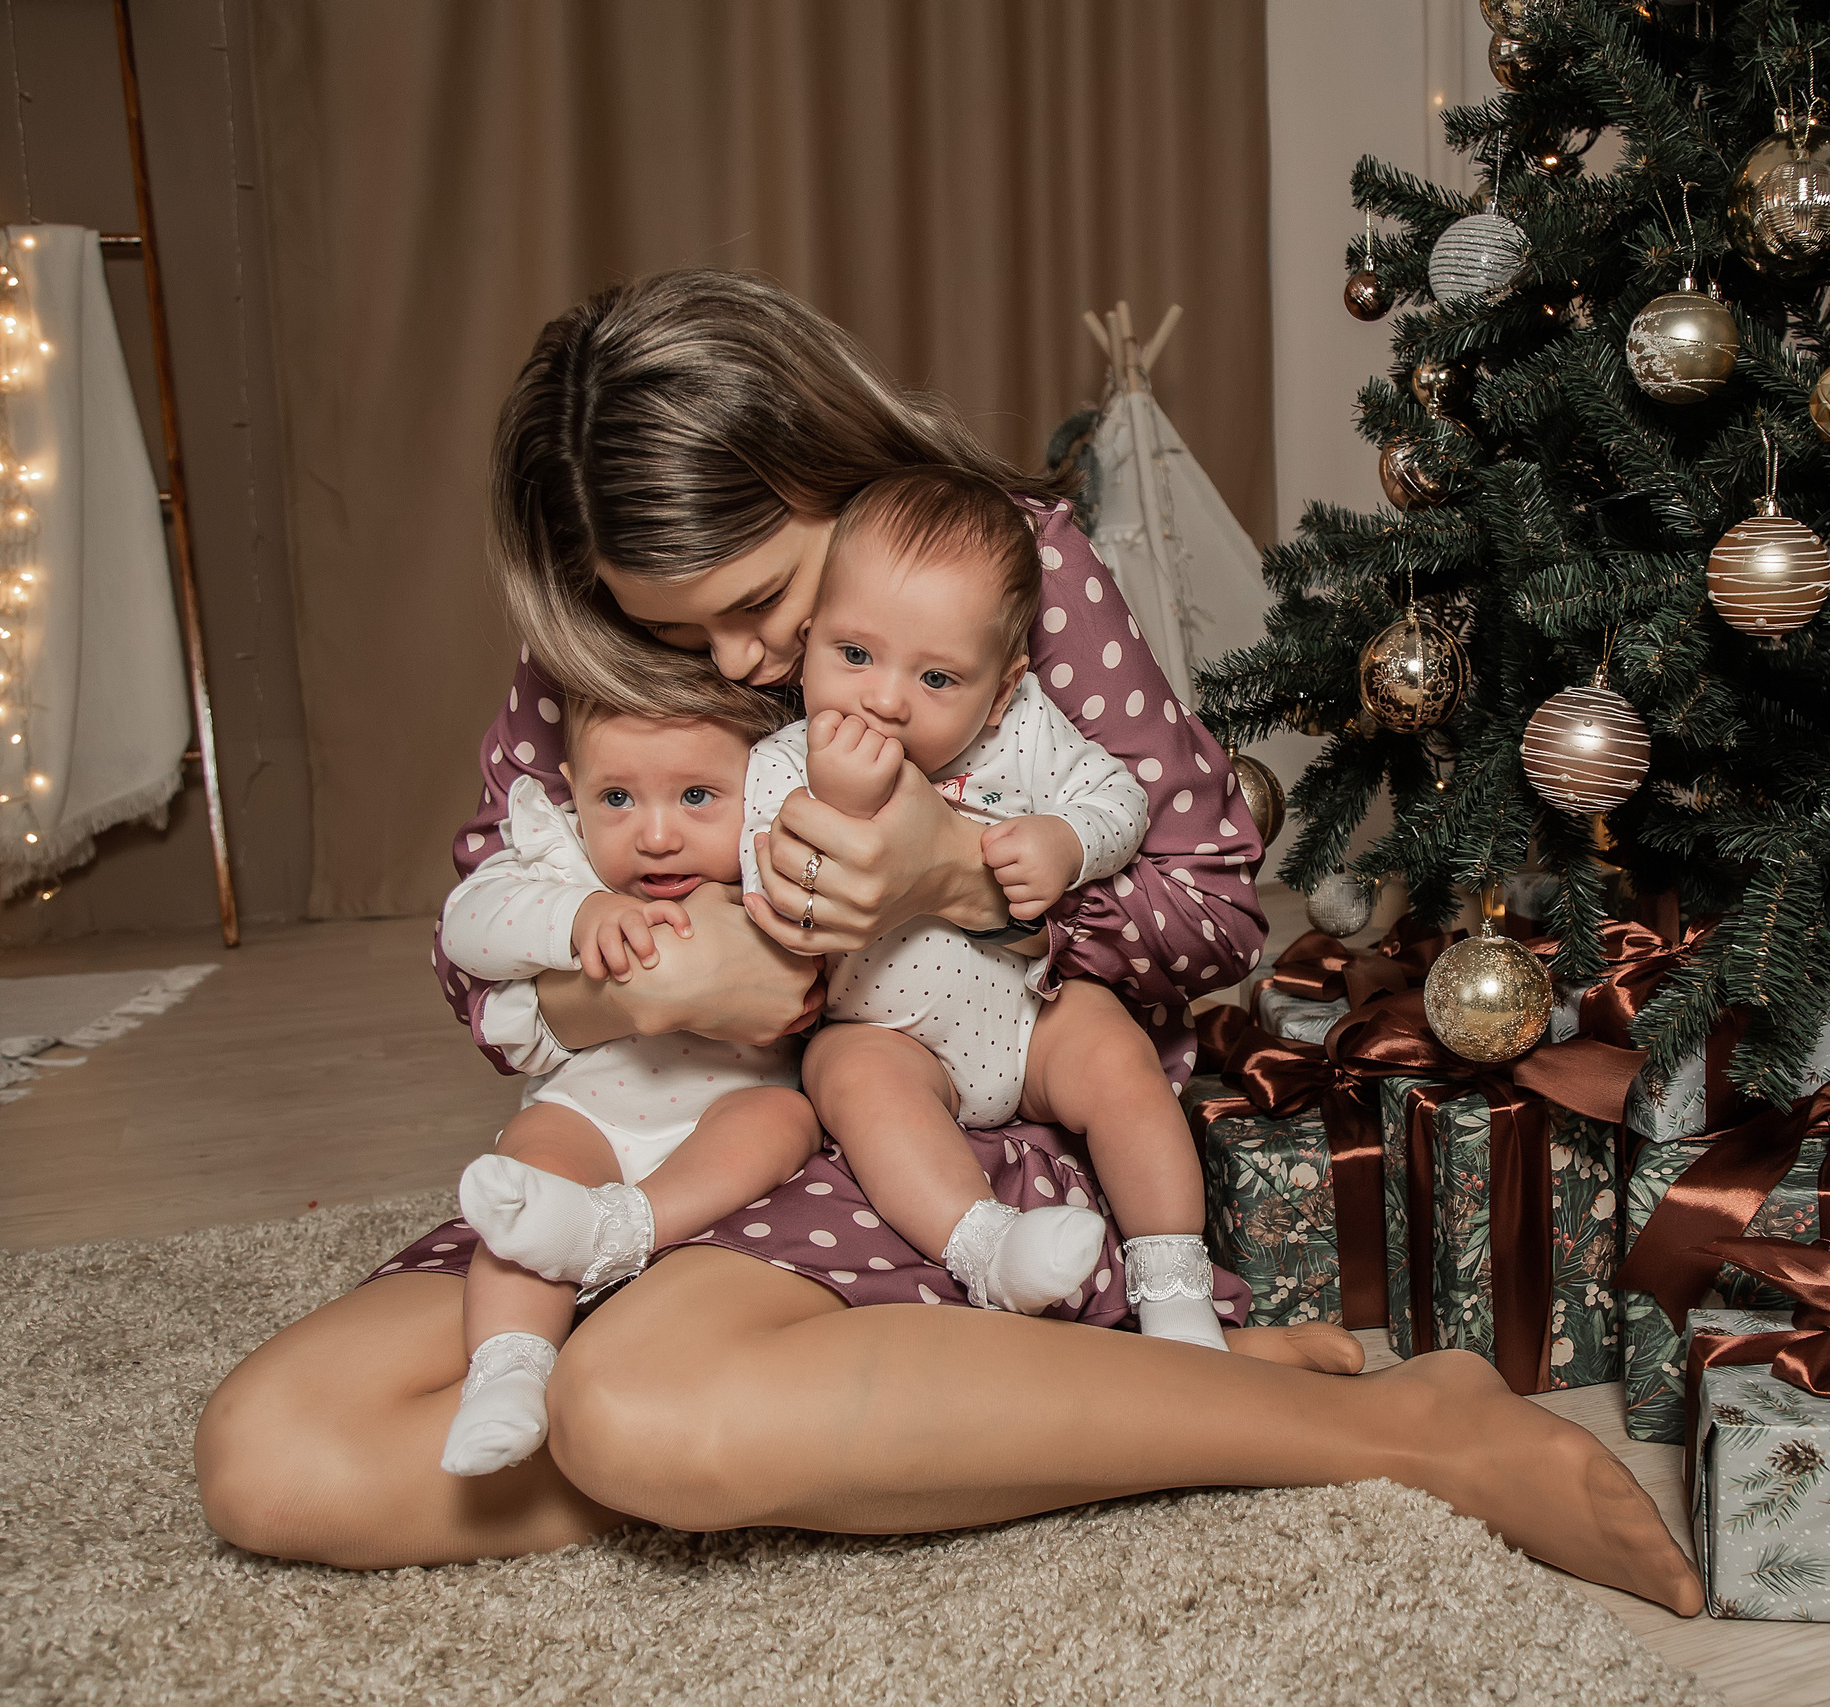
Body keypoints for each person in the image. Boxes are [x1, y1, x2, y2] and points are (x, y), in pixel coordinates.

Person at [194, 270, 1702, 1617]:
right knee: (274, 1457)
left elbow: (1219, 902)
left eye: (763, 603)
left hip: (922, 1128)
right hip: (648, 1132)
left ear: (829, 467)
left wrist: (964, 882)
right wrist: (635, 980)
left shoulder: (1008, 573)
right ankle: (1041, 1401)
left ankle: (1401, 1426)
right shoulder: (607, 633)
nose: (732, 661)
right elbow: (481, 939)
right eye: (674, 631)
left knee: (636, 1411)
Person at [741, 466, 1226, 1347]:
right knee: (847, 1079)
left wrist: (1066, 842)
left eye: (937, 678)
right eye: (853, 655)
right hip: (889, 1032)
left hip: (1029, 1012)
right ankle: (988, 1249)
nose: (884, 698)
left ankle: (1176, 1288)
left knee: (1118, 1058)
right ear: (808, 642)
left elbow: (1120, 798)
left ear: (1000, 689)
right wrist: (837, 800)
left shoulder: (1024, 730)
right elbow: (774, 904)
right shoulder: (781, 763)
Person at [434, 692, 817, 1476]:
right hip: (593, 1113)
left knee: (781, 1116)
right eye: (616, 797)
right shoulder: (563, 862)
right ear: (573, 791)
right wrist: (575, 915)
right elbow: (465, 926)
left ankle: (626, 1229)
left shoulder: (773, 860)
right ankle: (506, 1374)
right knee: (535, 1166)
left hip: (725, 1117)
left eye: (698, 796)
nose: (656, 833)